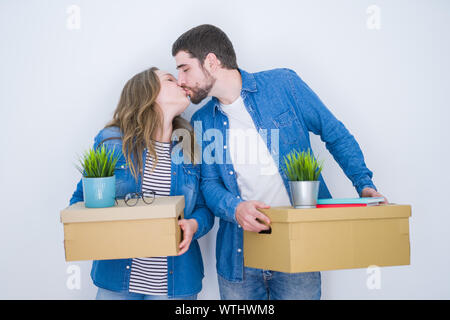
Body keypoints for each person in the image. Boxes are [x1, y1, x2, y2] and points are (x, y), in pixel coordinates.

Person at [171, 24, 388, 300]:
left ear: (211, 62)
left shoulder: (284, 85)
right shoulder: (202, 121)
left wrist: (364, 185)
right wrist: (235, 208)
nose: (180, 79)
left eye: (185, 68)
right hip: (238, 261)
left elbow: (334, 133)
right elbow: (210, 184)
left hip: (298, 250)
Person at [69, 67, 214, 300]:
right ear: (147, 92)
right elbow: (81, 200)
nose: (181, 83)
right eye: (170, 79)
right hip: (117, 279)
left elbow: (205, 208)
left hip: (176, 284)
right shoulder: (112, 141)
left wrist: (194, 225)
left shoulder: (191, 148)